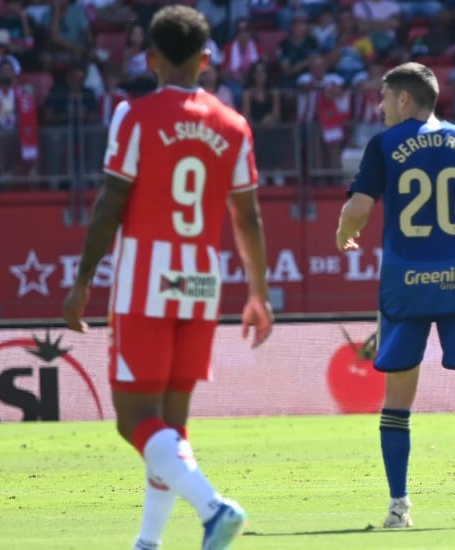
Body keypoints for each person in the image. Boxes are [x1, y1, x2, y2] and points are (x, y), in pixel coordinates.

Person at [61, 6, 275, 550]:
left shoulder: (134, 115)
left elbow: (112, 202)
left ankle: (213, 508)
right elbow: (246, 217)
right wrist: (258, 293)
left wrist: (83, 279)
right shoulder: (233, 124)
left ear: (151, 58)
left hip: (144, 282)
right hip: (203, 282)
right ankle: (149, 542)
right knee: (170, 428)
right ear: (206, 59)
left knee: (132, 418)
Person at [335, 61, 455, 528]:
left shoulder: (385, 145)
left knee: (398, 398)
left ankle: (399, 510)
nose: (380, 108)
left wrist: (344, 230)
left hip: (404, 287)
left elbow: (360, 208)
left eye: (384, 98)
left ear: (404, 99)